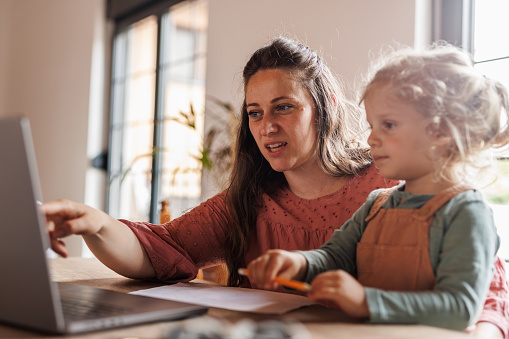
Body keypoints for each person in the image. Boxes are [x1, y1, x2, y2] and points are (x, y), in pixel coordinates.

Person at [42, 37, 508, 336]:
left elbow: (485, 296)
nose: (266, 127)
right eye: (255, 112)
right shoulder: (251, 200)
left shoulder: (397, 178)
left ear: (321, 106)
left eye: (283, 107)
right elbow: (162, 250)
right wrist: (95, 224)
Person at [245, 42, 509, 334]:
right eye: (372, 126)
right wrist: (296, 262)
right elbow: (333, 257)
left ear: (441, 133)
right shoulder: (376, 205)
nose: (371, 139)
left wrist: (367, 301)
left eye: (389, 125)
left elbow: (459, 309)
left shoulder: (467, 212)